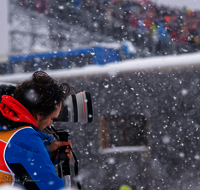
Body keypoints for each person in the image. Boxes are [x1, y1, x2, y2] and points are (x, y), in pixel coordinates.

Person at [0, 71, 74, 190]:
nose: (50, 125)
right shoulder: (24, 137)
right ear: (40, 114)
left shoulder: (6, 126)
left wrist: (45, 152)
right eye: (51, 118)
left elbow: (12, 161)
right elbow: (48, 186)